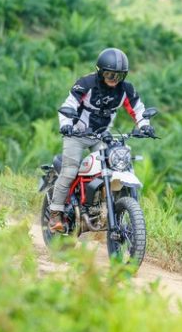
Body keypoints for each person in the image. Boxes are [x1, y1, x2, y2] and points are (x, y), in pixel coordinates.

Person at [48, 47, 155, 232]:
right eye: (109, 74)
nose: (113, 79)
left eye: (118, 75)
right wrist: (66, 125)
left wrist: (144, 125)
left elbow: (138, 109)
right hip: (77, 134)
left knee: (117, 166)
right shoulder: (86, 83)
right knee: (70, 171)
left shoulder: (125, 90)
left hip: (102, 136)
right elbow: (69, 104)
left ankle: (105, 208)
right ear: (100, 71)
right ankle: (55, 213)